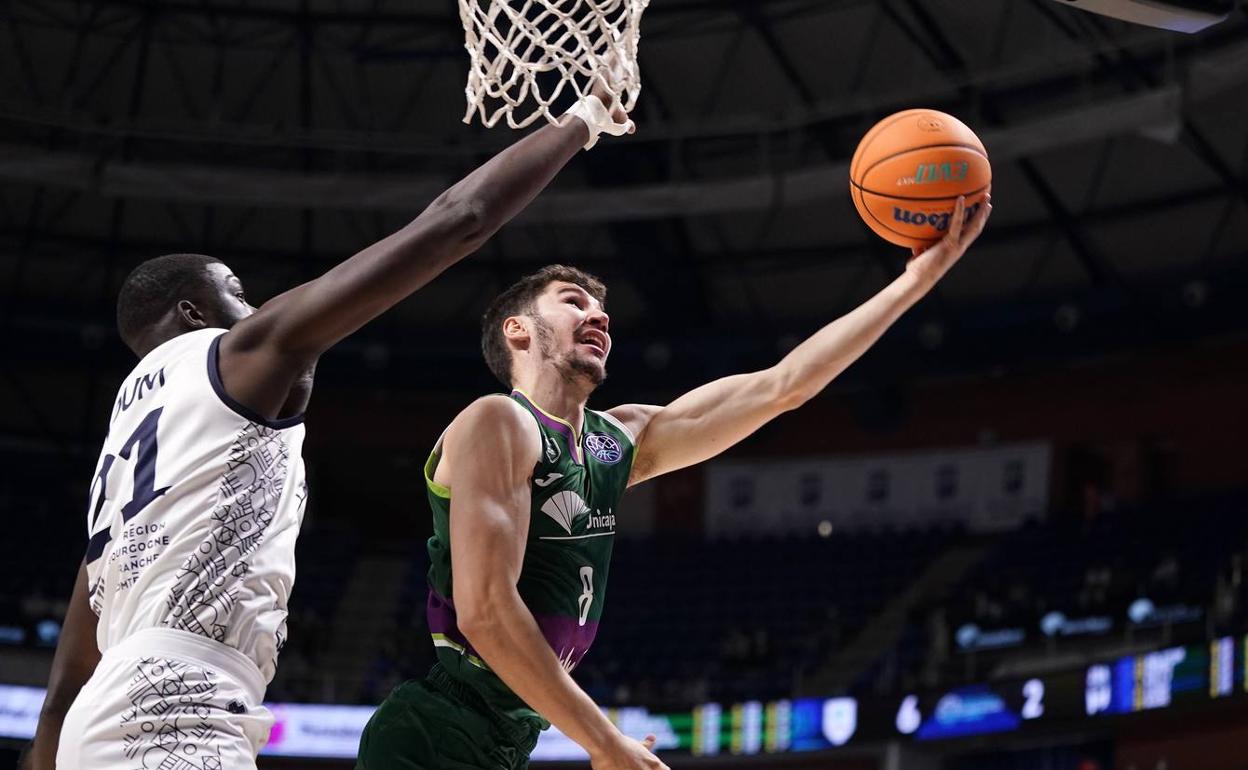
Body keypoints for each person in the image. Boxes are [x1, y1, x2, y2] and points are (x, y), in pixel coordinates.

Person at [22, 79, 634, 770]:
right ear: (195, 312)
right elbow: (458, 218)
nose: (257, 309)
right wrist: (579, 122)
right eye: (239, 294)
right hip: (176, 705)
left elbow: (60, 694)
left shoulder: (126, 454)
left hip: (103, 718)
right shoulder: (237, 356)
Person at [356, 195, 992, 770]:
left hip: (508, 737)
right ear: (516, 331)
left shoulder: (619, 440)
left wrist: (916, 281)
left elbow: (783, 386)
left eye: (602, 307)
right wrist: (605, 742)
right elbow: (487, 613)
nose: (598, 314)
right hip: (436, 733)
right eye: (573, 302)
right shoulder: (498, 421)